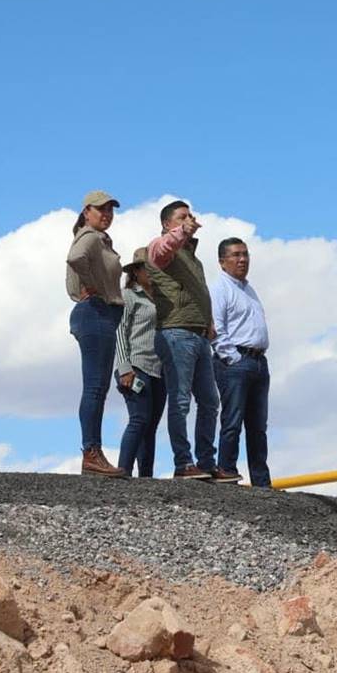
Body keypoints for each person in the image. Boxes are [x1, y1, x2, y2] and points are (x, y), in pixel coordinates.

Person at [145, 200, 238, 481]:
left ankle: (206, 462)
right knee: (181, 400)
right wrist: (180, 233)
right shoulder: (160, 246)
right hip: (175, 332)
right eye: (182, 217)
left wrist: (209, 323)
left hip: (198, 336)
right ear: (167, 224)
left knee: (210, 402)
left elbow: (198, 294)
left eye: (190, 216)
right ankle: (183, 463)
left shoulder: (193, 259)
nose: (190, 220)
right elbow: (161, 251)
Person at [66, 190, 127, 478]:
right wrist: (94, 286)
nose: (107, 214)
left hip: (99, 313)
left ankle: (93, 453)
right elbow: (76, 258)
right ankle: (91, 452)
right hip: (95, 311)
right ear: (87, 211)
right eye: (101, 209)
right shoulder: (89, 236)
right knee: (94, 387)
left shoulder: (100, 239)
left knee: (98, 387)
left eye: (110, 210)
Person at [209, 237, 272, 488]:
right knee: (232, 421)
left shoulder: (248, 289)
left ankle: (262, 482)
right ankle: (227, 473)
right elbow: (216, 327)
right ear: (223, 262)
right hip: (236, 360)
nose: (242, 259)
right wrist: (232, 358)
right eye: (235, 255)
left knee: (258, 427)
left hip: (258, 361)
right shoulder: (220, 289)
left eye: (245, 254)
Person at [113, 247, 167, 477]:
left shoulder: (162, 298)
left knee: (151, 425)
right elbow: (120, 331)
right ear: (136, 271)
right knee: (139, 419)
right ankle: (123, 469)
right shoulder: (129, 296)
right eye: (148, 267)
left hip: (159, 368)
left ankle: (146, 475)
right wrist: (124, 367)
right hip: (136, 364)